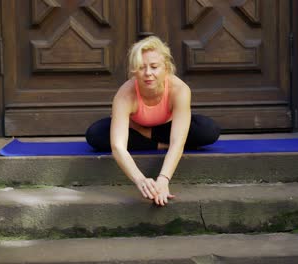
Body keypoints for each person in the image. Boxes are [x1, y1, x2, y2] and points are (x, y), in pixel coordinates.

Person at [86, 36, 220, 206]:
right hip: (136, 129)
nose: (148, 73)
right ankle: (160, 144)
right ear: (134, 71)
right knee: (96, 134)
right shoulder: (125, 94)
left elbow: (178, 141)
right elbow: (118, 147)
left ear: (166, 68)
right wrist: (140, 180)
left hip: (165, 128)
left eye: (154, 67)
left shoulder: (179, 90)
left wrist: (163, 179)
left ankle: (153, 139)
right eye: (141, 68)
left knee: (208, 129)